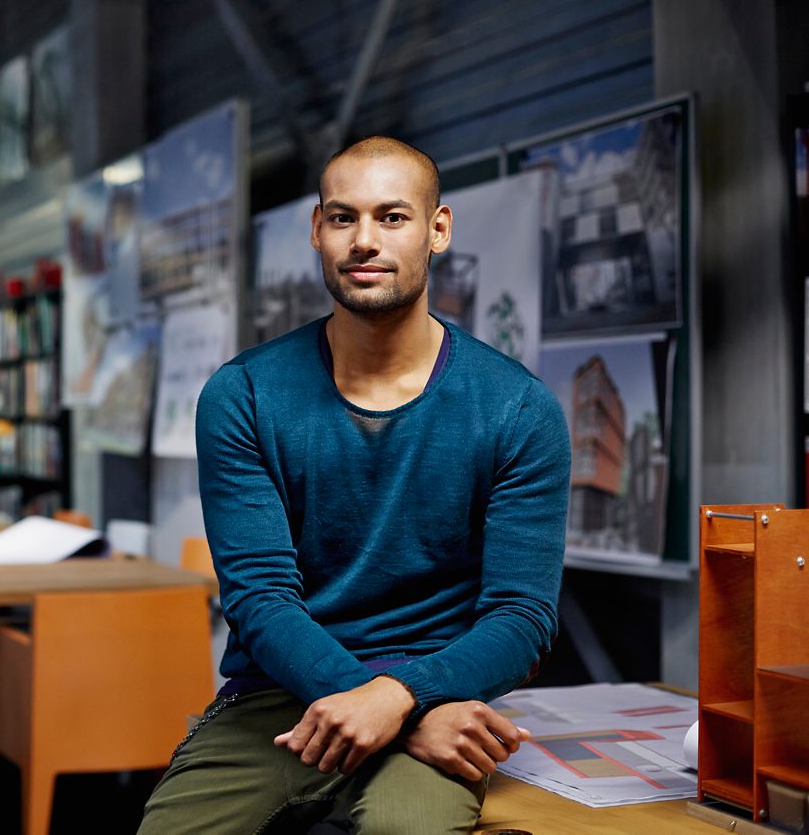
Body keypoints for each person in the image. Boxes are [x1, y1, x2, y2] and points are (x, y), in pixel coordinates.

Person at [137, 136, 571, 834]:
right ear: (317, 231)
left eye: (392, 218)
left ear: (438, 230)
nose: (364, 240)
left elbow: (522, 616)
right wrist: (385, 708)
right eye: (343, 218)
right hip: (279, 691)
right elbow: (258, 597)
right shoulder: (244, 394)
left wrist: (401, 698)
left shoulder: (517, 409)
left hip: (439, 690)